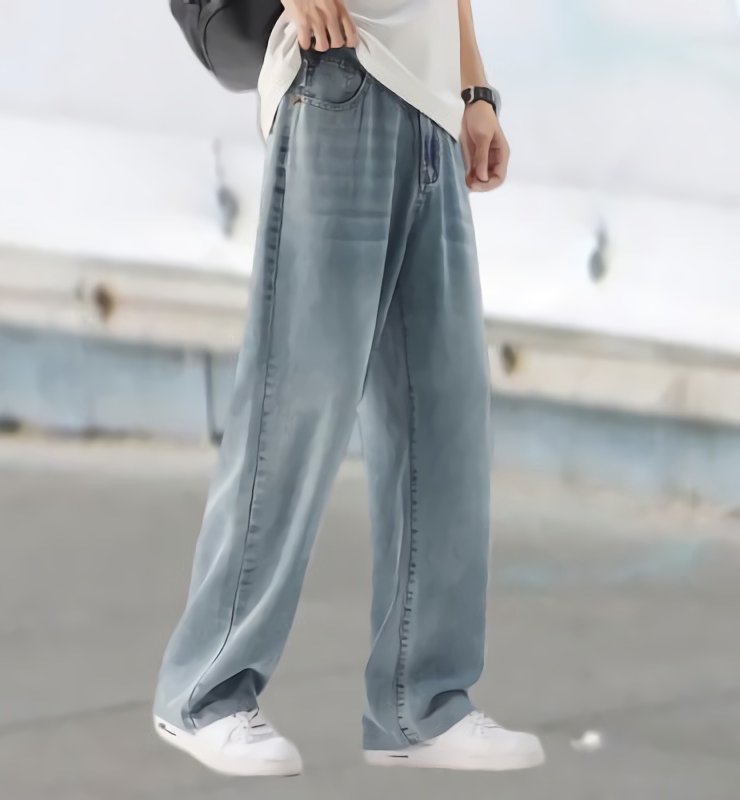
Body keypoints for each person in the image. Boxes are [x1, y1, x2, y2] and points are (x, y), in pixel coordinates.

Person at [153, 0, 545, 777]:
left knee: (444, 421)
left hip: (432, 104)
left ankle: (421, 705)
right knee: (297, 404)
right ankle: (203, 692)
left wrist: (473, 90)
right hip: (338, 71)